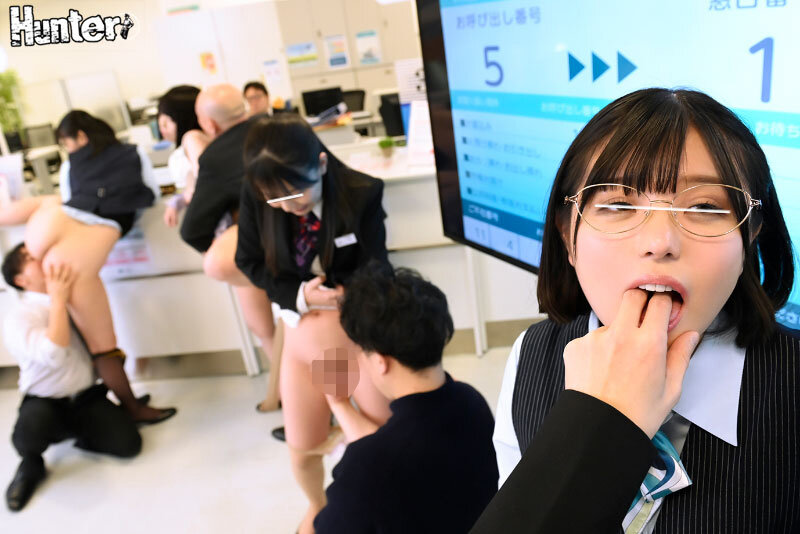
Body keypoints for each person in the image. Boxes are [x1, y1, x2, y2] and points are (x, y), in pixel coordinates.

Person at [490, 88, 799, 532]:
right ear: (567, 236)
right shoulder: (532, 354)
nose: (660, 242)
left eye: (703, 206)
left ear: (750, 236)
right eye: (617, 204)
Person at [237, 113, 392, 534]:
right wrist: (301, 296)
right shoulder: (260, 192)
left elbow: (378, 268)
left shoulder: (361, 192)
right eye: (278, 201)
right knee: (303, 446)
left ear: (321, 164)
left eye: (298, 195)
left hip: (353, 338)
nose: (289, 207)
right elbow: (248, 260)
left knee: (380, 438)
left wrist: (346, 296)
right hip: (304, 344)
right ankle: (318, 507)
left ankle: (382, 511)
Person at [0, 110, 175, 424]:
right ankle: (132, 409)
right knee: (102, 347)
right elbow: (149, 197)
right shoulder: (132, 153)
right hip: (70, 262)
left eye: (66, 142)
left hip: (51, 226)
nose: (68, 149)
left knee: (85, 340)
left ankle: (111, 404)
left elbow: (68, 198)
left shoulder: (71, 165)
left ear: (80, 136)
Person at [313, 264, 498, 533]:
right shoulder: (472, 402)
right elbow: (400, 448)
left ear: (380, 362)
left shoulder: (366, 468)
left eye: (361, 352)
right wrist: (339, 404)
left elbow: (330, 524)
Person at [2, 249, 142, 511]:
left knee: (129, 445)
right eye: (31, 259)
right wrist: (57, 300)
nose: (41, 259)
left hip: (86, 397)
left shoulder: (75, 297)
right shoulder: (20, 316)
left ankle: (79, 433)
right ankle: (30, 466)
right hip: (45, 400)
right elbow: (54, 354)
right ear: (21, 280)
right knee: (28, 434)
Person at [178, 84, 277, 408]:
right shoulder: (284, 127)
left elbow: (193, 229)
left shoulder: (216, 156)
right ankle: (329, 406)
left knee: (290, 330)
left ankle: (325, 407)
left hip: (269, 257)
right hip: (319, 250)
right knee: (309, 330)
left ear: (210, 124)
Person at [156, 85, 210, 227]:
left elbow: (206, 179)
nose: (162, 129)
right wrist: (177, 202)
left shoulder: (192, 139)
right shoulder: (199, 140)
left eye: (167, 122)